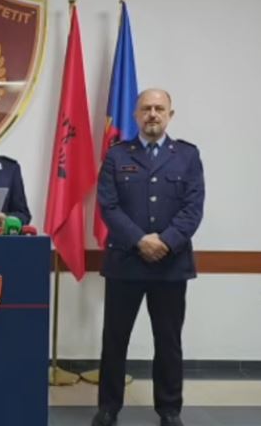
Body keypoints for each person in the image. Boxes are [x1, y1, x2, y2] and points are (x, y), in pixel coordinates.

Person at [92, 89, 205, 426]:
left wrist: (165, 242)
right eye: (146, 108)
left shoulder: (187, 155)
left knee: (168, 342)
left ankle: (169, 410)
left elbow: (193, 208)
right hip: (125, 263)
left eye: (159, 108)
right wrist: (140, 240)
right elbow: (108, 206)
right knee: (115, 340)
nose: (152, 114)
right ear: (135, 115)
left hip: (171, 265)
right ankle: (108, 408)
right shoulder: (116, 155)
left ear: (170, 114)